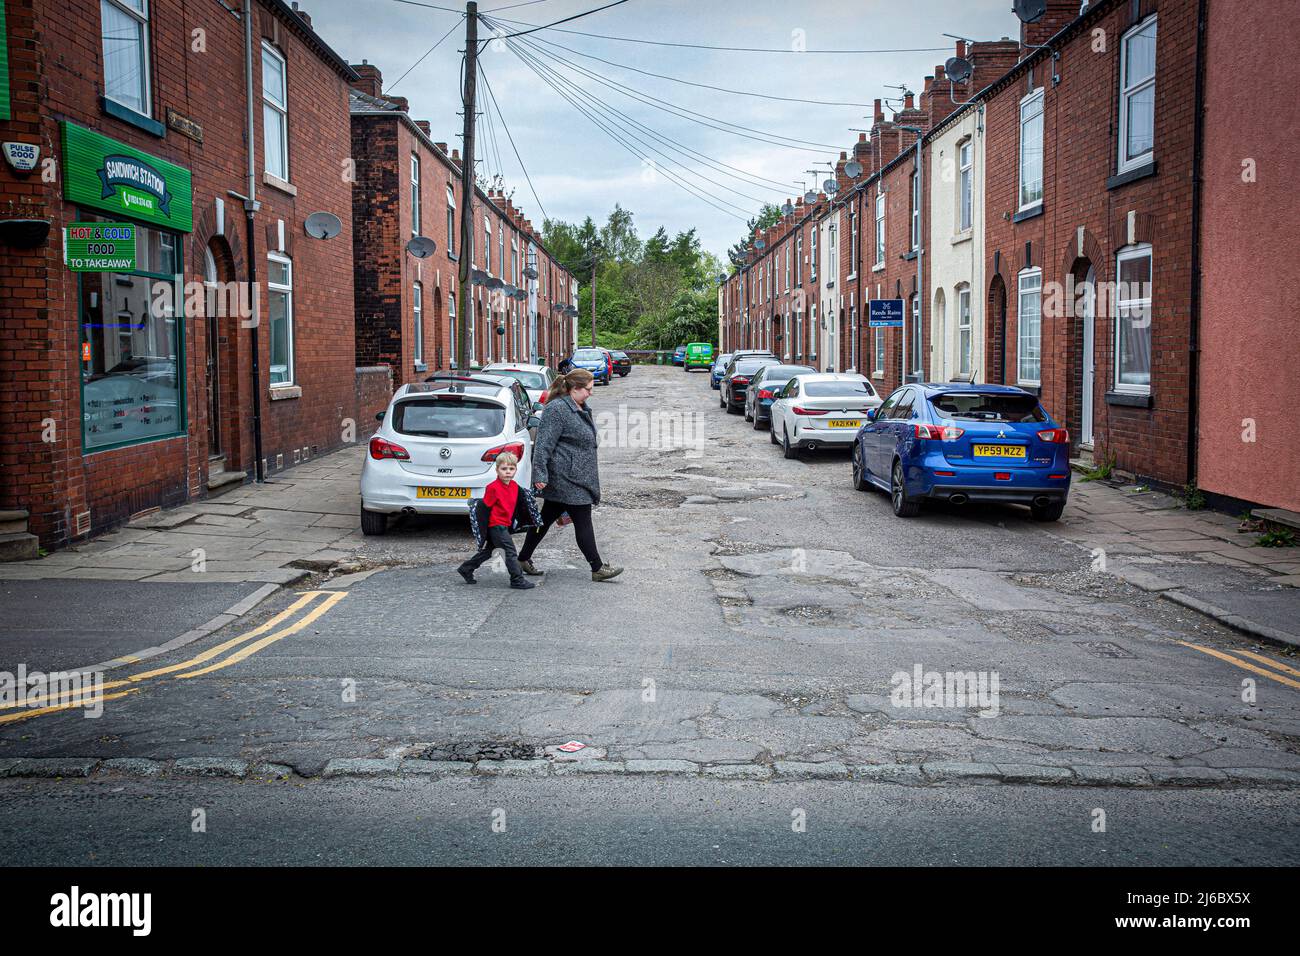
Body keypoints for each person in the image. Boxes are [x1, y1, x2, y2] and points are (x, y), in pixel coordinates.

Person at [518, 368, 622, 582]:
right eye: (588, 389)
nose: (591, 393)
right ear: (574, 389)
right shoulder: (557, 409)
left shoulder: (579, 405)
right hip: (567, 476)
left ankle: (522, 558)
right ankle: (597, 567)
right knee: (583, 519)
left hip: (575, 474)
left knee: (545, 518)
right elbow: (543, 445)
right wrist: (540, 474)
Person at [458, 452, 536, 589]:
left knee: (489, 551)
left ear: (515, 470)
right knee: (510, 552)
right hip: (496, 526)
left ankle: (466, 568)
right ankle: (517, 579)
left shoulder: (514, 486)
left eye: (511, 469)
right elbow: (485, 507)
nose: (508, 472)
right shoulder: (492, 487)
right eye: (504, 469)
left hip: (505, 524)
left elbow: (521, 503)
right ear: (497, 470)